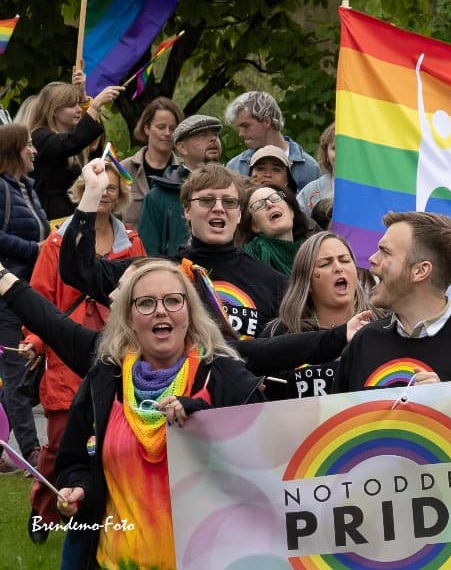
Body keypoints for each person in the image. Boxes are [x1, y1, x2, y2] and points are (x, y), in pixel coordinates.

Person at [44, 258, 263, 569]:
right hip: (116, 561)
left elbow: (261, 457)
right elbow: (75, 460)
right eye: (146, 303)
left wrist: (202, 416)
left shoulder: (222, 375)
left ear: (189, 311)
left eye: (173, 300)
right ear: (130, 318)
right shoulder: (105, 380)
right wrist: (78, 487)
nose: (161, 311)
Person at [20, 164, 144, 540]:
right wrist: (37, 341)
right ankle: (43, 509)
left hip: (115, 346)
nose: (105, 191)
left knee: (108, 439)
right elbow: (40, 294)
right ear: (84, 189)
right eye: (98, 185)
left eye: (111, 186)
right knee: (59, 443)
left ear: (120, 193)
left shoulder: (132, 241)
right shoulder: (59, 242)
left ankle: (96, 516)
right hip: (67, 348)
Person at [66, 163, 287, 340]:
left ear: (239, 214)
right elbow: (76, 268)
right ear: (187, 210)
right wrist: (92, 194)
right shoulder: (152, 273)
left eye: (229, 202)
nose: (218, 207)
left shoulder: (274, 283)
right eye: (207, 200)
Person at [338, 212, 451, 389]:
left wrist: (446, 403)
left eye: (385, 252)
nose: (372, 259)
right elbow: (340, 415)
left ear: (420, 271)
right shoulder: (364, 342)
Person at [263, 231, 374, 398]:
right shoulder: (279, 332)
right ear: (307, 284)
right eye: (325, 264)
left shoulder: (383, 325)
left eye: (344, 260)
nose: (338, 268)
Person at [0, 123, 49, 468]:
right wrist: (36, 249)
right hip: (6, 293)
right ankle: (32, 451)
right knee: (17, 370)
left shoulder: (27, 188)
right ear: (13, 150)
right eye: (29, 145)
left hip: (30, 290)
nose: (34, 151)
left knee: (23, 370)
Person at [28, 75, 124, 220]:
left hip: (72, 214)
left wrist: (85, 98)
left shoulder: (71, 139)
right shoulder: (39, 137)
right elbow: (72, 143)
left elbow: (89, 143)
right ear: (54, 110)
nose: (79, 109)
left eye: (79, 105)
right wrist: (95, 105)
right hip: (49, 218)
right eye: (72, 105)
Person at [138, 114, 224, 256]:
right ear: (182, 147)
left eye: (215, 134)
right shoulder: (158, 197)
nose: (213, 139)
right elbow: (148, 256)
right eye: (203, 135)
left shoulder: (233, 190)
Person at [223, 91, 321, 188]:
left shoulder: (310, 168)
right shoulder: (235, 167)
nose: (240, 134)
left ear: (267, 121)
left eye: (246, 126)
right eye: (260, 168)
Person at [119, 97, 183, 228]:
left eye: (172, 128)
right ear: (146, 128)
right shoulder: (123, 169)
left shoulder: (187, 171)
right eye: (160, 127)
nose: (167, 133)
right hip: (131, 246)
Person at [237, 186, 311, 276]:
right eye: (259, 205)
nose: (269, 204)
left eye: (275, 197)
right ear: (255, 226)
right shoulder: (249, 257)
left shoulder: (314, 250)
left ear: (291, 211)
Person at [298, 123, 335, 216]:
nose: (342, 153)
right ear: (326, 154)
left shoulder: (373, 189)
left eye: (347, 147)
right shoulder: (311, 191)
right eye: (335, 148)